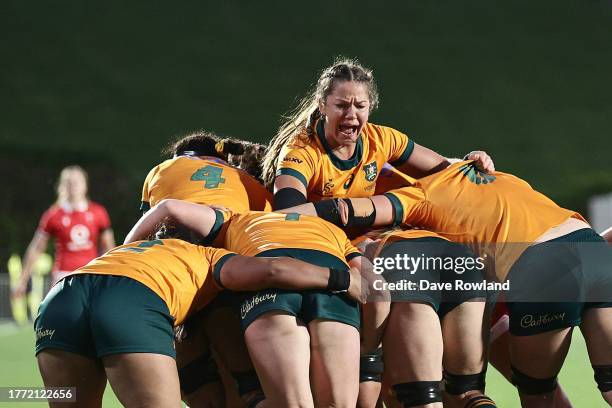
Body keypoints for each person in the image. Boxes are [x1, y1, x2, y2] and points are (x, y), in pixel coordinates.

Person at [285, 160, 612, 407]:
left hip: (541, 268)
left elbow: (353, 209)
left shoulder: (421, 195)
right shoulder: (489, 174)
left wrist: (285, 216)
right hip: (590, 247)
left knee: (536, 392)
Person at [35, 234, 363, 408]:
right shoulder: (206, 255)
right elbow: (272, 269)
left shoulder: (138, 247)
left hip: (61, 298)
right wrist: (341, 278)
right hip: (130, 299)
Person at [124, 199, 386, 408]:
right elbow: (378, 291)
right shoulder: (333, 231)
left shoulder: (237, 218)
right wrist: (368, 346)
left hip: (270, 288)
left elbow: (169, 206)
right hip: (333, 286)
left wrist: (126, 249)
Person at [138, 130, 273, 407]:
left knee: (192, 372)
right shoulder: (248, 182)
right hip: (230, 271)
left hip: (176, 269)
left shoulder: (161, 170)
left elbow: (149, 224)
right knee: (245, 383)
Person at [261, 57, 494, 211]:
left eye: (360, 106)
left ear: (370, 107)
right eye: (341, 106)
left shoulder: (382, 140)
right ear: (322, 106)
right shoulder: (301, 151)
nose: (351, 114)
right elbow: (288, 212)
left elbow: (442, 169)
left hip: (368, 235)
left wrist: (469, 161)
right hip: (324, 240)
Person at [13, 165, 115, 298]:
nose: (74, 186)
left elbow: (109, 247)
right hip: (63, 275)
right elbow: (36, 248)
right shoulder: (54, 214)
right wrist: (23, 280)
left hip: (91, 274)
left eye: (77, 182)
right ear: (62, 186)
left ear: (85, 185)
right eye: (69, 182)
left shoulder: (98, 213)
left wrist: (111, 276)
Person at [140, 130, 272, 214]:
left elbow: (146, 218)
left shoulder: (159, 169)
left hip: (167, 226)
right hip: (222, 233)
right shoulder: (241, 178)